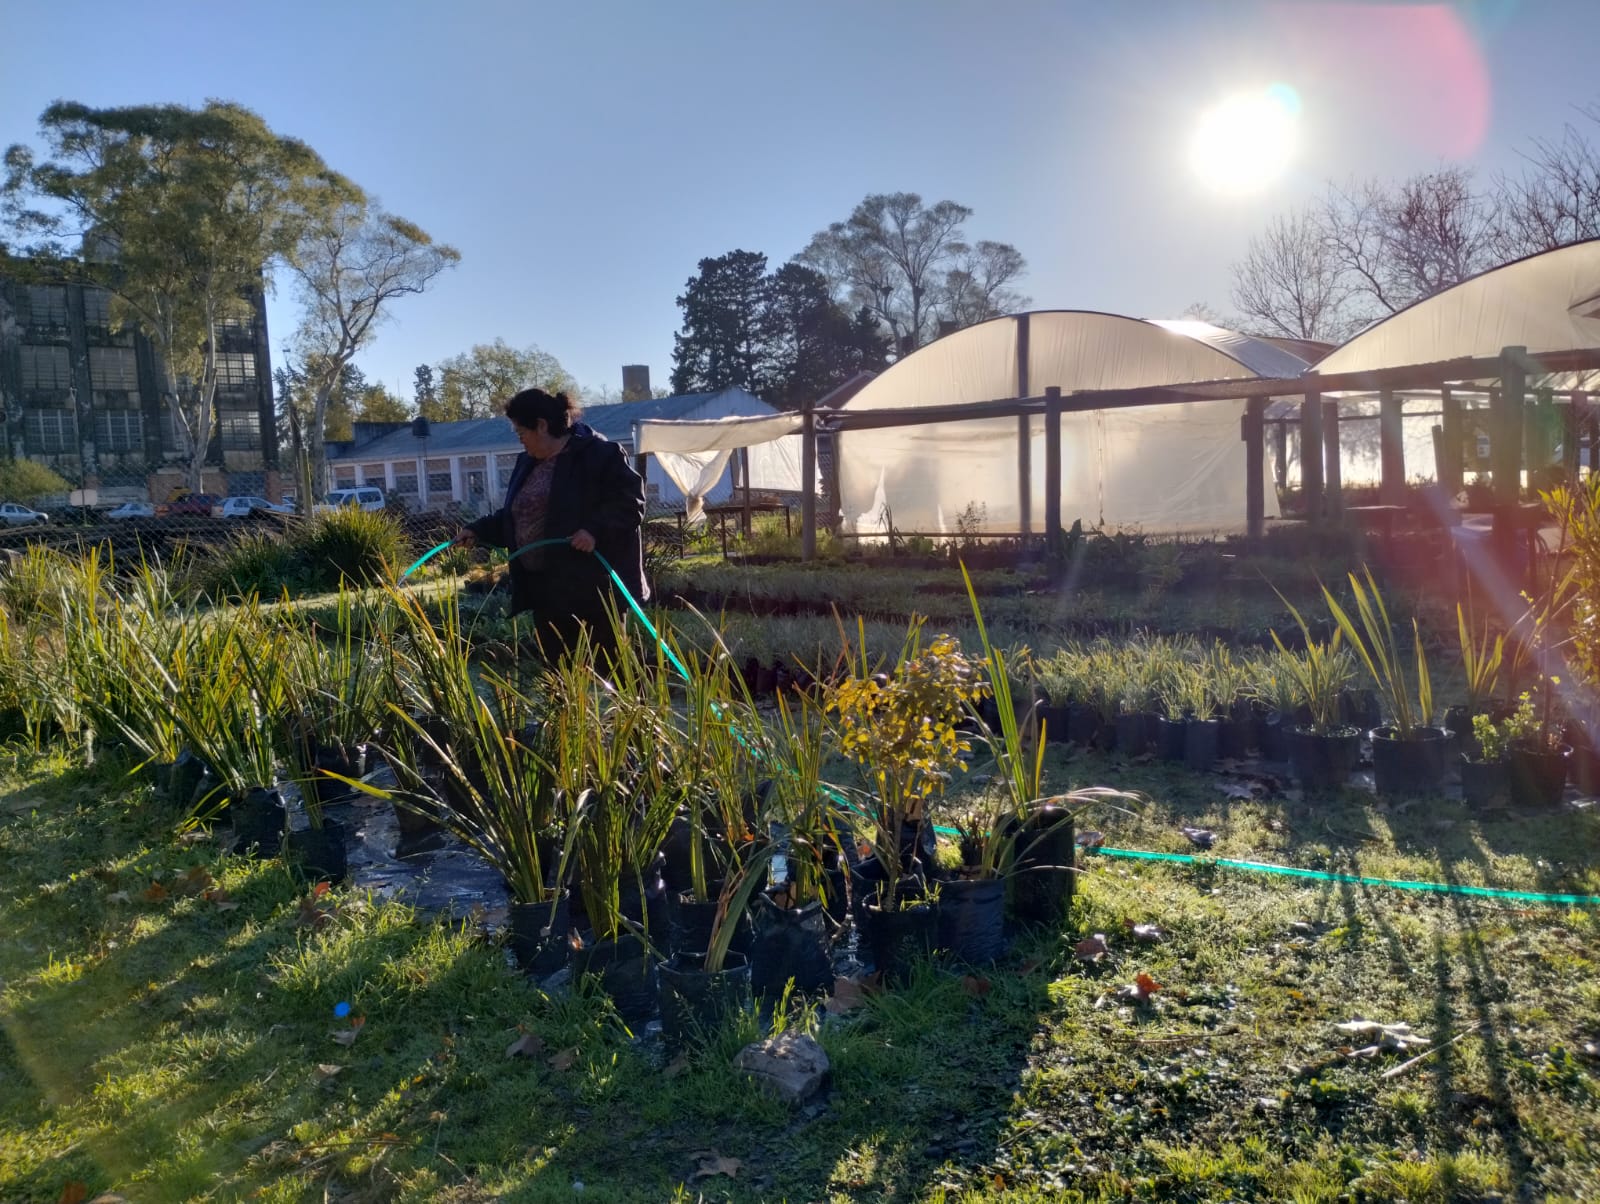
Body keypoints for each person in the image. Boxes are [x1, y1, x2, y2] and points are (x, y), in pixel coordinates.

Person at [456, 388, 648, 663]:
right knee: (559, 671)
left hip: (595, 592)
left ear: (542, 426)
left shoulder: (600, 454)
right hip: (547, 592)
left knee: (608, 666)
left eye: (521, 432)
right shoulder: (527, 462)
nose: (520, 440)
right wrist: (478, 530)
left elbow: (630, 503)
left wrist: (593, 530)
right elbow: (517, 516)